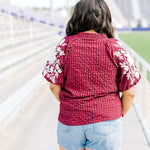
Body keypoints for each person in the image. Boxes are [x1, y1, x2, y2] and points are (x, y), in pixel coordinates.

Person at [42, 0, 141, 149]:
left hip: (70, 120)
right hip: (107, 121)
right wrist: (118, 114)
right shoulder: (116, 48)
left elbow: (53, 86)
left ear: (76, 17)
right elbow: (130, 92)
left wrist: (69, 103)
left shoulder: (64, 46)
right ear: (105, 17)